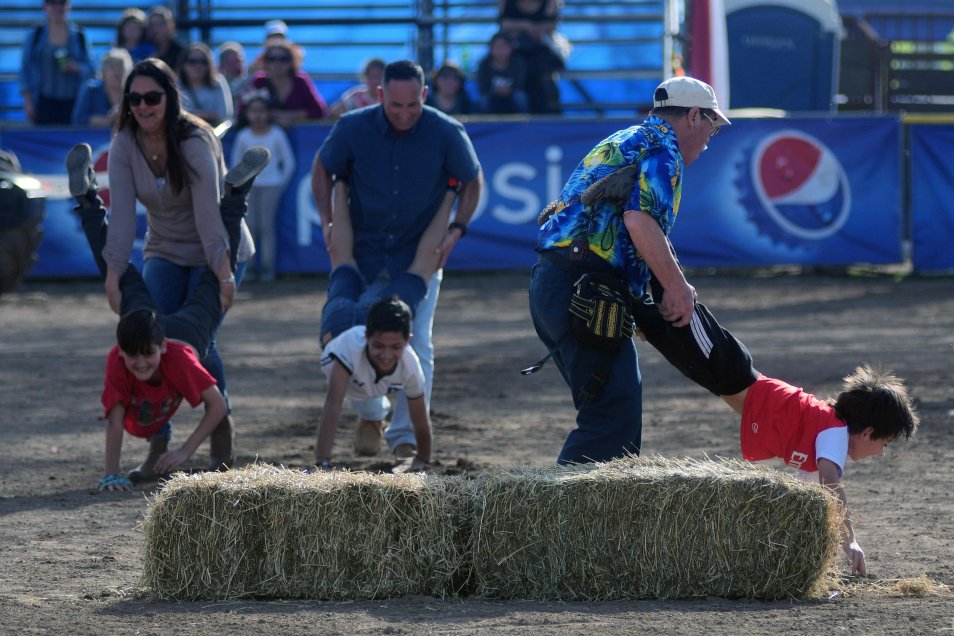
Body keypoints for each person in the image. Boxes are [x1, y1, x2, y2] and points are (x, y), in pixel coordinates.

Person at [528, 75, 730, 465]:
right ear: (693, 116)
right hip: (583, 289)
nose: (711, 136)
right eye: (712, 124)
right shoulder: (664, 149)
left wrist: (635, 298)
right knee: (611, 418)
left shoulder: (625, 138)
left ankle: (571, 503)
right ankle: (564, 505)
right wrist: (677, 288)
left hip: (555, 282)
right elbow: (640, 222)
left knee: (609, 411)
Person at [66, 140, 268, 491]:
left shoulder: (179, 359)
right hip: (145, 316)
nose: (140, 363)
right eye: (132, 357)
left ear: (160, 349)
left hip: (188, 335)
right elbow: (114, 422)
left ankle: (236, 195)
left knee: (218, 274)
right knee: (118, 268)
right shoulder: (123, 358)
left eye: (146, 356)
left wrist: (185, 451)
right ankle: (87, 198)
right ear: (120, 351)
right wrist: (111, 472)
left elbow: (216, 406)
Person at [311, 59, 483, 462]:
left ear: (424, 95)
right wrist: (327, 220)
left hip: (419, 251)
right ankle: (372, 412)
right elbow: (322, 169)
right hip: (363, 250)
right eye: (395, 106)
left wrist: (457, 229)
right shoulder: (352, 127)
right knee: (352, 334)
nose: (405, 114)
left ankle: (404, 436)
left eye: (413, 106)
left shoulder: (446, 131)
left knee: (416, 342)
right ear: (380, 95)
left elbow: (472, 181)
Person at [101, 58, 261, 474]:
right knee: (153, 339)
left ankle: (221, 432)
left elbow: (209, 217)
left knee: (196, 342)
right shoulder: (124, 143)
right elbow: (121, 219)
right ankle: (159, 444)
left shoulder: (195, 140)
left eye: (152, 97)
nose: (143, 106)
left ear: (169, 99)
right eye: (134, 99)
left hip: (218, 248)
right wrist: (114, 273)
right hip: (165, 250)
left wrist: (224, 274)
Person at [315, 297, 432, 473]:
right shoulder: (347, 350)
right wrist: (322, 462)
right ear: (366, 337)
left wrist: (423, 459)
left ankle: (373, 417)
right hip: (339, 321)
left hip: (366, 384)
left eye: (395, 347)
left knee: (409, 287)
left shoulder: (411, 365)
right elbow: (333, 405)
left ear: (408, 341)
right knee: (344, 283)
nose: (386, 355)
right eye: (378, 346)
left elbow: (420, 417)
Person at [230, 89, 296, 281]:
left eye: (261, 111)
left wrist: (279, 184)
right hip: (248, 188)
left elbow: (289, 163)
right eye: (253, 111)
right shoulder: (243, 136)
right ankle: (248, 269)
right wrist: (240, 185)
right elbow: (236, 163)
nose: (257, 115)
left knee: (267, 227)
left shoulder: (277, 134)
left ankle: (268, 269)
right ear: (247, 114)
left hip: (271, 186)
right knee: (249, 227)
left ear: (268, 113)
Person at [18, 0, 94, 125]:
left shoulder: (79, 36)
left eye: (62, 3)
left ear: (68, 6)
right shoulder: (36, 35)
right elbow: (25, 69)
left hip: (73, 102)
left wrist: (77, 67)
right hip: (43, 101)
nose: (57, 7)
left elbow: (91, 68)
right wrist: (28, 102)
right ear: (45, 6)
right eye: (52, 3)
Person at [497, 0, 568, 114]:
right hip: (517, 53)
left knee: (543, 77)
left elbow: (551, 25)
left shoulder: (550, 3)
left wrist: (524, 28)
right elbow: (504, 23)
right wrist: (527, 26)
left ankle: (549, 113)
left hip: (541, 54)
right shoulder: (508, 2)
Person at [246, 41, 329, 128]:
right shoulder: (259, 82)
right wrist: (274, 116)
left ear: (291, 62)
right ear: (265, 62)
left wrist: (289, 116)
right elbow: (244, 110)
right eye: (272, 59)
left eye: (283, 59)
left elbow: (319, 111)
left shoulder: (300, 82)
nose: (277, 63)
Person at [71, 47, 133, 127]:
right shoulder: (91, 90)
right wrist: (109, 120)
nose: (116, 72)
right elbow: (79, 119)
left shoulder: (132, 92)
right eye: (112, 67)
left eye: (120, 67)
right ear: (103, 71)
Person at [179, 42, 233, 126]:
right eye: (192, 61)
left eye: (203, 62)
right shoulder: (176, 86)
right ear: (183, 65)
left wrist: (193, 116)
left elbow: (225, 117)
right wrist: (208, 116)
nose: (198, 66)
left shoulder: (218, 83)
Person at [476, 30, 529, 115]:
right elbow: (483, 87)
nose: (501, 51)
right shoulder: (484, 65)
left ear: (511, 48)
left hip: (512, 95)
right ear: (491, 49)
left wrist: (509, 90)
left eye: (504, 47)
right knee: (483, 100)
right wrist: (495, 91)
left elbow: (521, 83)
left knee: (520, 97)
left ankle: (523, 122)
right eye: (498, 47)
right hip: (492, 97)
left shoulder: (518, 63)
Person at [147, 5, 185, 72]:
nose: (156, 29)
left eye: (161, 24)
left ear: (171, 26)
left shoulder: (181, 53)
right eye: (152, 25)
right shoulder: (144, 50)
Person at [217, 41, 249, 111]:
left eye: (240, 62)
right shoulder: (217, 87)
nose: (238, 66)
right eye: (232, 63)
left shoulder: (250, 83)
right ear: (222, 66)